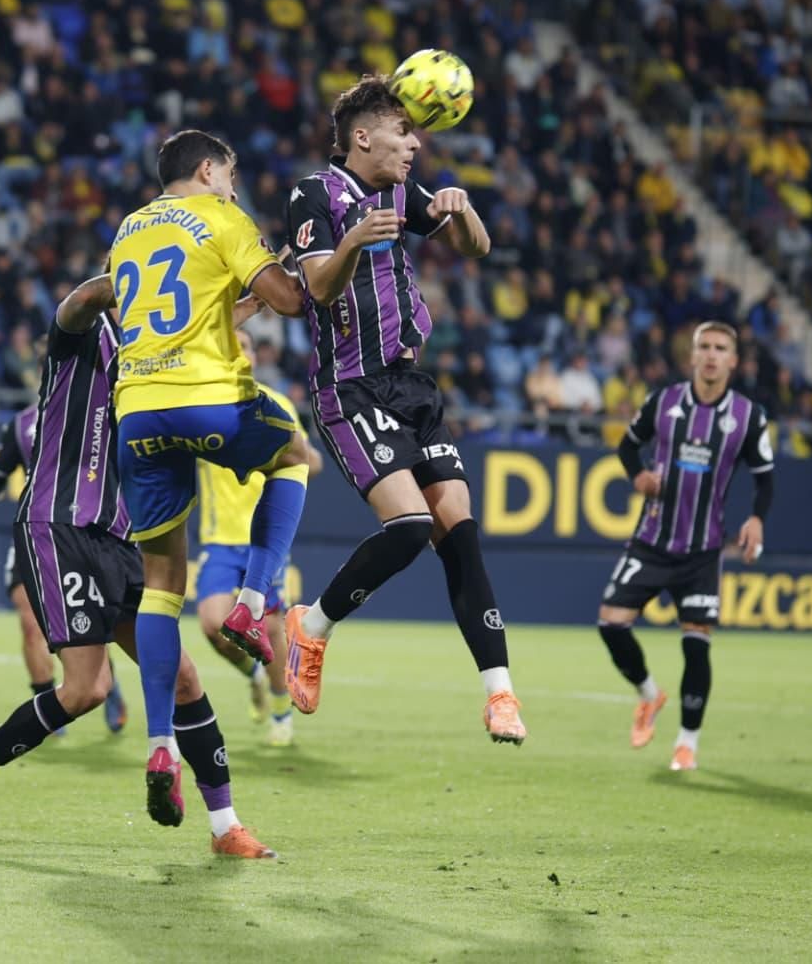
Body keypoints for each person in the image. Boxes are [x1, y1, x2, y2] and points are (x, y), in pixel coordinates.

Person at [0, 276, 275, 859]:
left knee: (183, 676)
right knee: (87, 688)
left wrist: (252, 297)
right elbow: (81, 300)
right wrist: (145, 271)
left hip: (118, 538)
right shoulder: (86, 334)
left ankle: (225, 827)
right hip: (57, 525)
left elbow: (204, 328)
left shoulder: (157, 354)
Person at [279, 75, 527, 743]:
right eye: (403, 131)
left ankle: (500, 694)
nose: (415, 144)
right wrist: (355, 238)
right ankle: (312, 625)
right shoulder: (314, 193)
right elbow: (317, 289)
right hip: (349, 386)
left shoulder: (402, 190)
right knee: (412, 526)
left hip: (412, 386)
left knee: (460, 532)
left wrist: (461, 210)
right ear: (362, 138)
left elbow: (475, 247)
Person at [106, 130, 308, 815]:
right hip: (206, 399)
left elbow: (180, 316)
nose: (233, 186)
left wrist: (240, 305)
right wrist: (299, 269)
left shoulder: (128, 230)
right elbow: (290, 300)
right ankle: (253, 601)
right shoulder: (223, 217)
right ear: (207, 169)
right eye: (230, 174)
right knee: (293, 456)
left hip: (137, 410)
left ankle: (161, 742)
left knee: (161, 587)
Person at [595, 321, 775, 772]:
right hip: (652, 540)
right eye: (704, 347)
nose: (712, 355)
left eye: (721, 348)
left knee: (696, 644)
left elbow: (765, 477)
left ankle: (686, 743)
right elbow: (627, 446)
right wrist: (638, 476)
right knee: (611, 623)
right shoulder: (664, 402)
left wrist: (756, 518)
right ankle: (649, 695)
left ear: (733, 361)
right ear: (692, 356)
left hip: (702, 550)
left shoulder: (748, 416)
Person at [0, 405, 129, 734]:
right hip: (36, 532)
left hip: (84, 533)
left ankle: (109, 683)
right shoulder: (21, 424)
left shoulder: (99, 410)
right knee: (31, 624)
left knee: (91, 623)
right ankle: (48, 708)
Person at [194, 329, 323, 746]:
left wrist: (278, 458)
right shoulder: (199, 403)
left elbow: (310, 461)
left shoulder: (274, 404)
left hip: (263, 537)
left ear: (253, 355)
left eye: (246, 346)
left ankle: (282, 712)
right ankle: (255, 676)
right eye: (231, 347)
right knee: (212, 625)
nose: (240, 353)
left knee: (268, 626)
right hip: (219, 538)